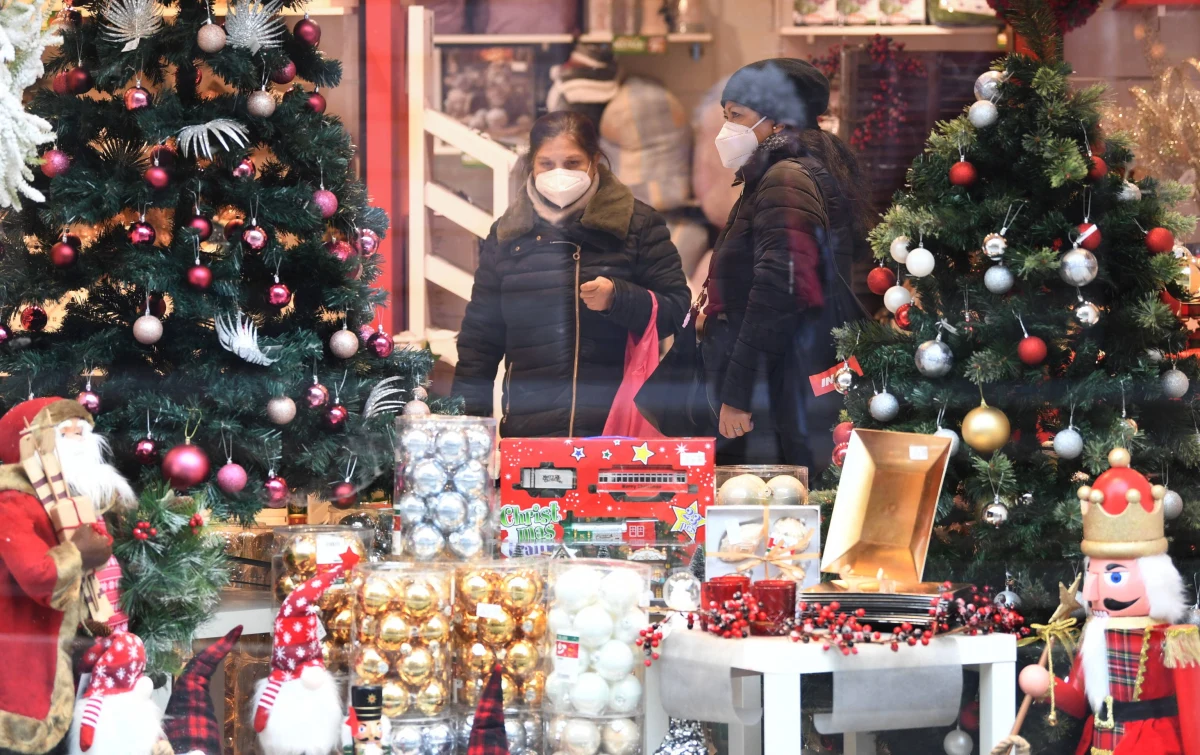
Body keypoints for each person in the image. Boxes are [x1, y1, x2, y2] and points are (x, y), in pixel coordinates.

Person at [454, 110, 690, 437]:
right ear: (531, 165)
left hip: (619, 427)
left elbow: (678, 310)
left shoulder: (638, 225)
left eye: (573, 162)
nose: (559, 173)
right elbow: (480, 340)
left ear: (595, 161)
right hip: (530, 431)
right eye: (546, 164)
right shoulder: (508, 234)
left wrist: (619, 299)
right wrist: (469, 426)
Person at [700, 58, 869, 467]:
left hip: (779, 383)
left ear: (776, 120)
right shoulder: (790, 171)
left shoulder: (785, 178)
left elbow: (777, 293)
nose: (728, 130)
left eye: (737, 116)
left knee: (770, 504)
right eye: (726, 117)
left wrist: (738, 394)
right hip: (788, 373)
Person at [1016, 453, 1200, 755]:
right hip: (1102, 742)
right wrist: (1046, 685)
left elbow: (1194, 709)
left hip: (1153, 745)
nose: (1097, 586)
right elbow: (1079, 702)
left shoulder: (1174, 640)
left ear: (1154, 579)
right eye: (1093, 573)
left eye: (1114, 576)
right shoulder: (1095, 633)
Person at [0, 397, 134, 755]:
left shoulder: (77, 495)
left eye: (82, 431)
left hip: (80, 648)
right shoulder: (13, 501)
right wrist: (79, 552)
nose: (77, 439)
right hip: (32, 652)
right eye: (66, 432)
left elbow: (98, 546)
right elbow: (35, 572)